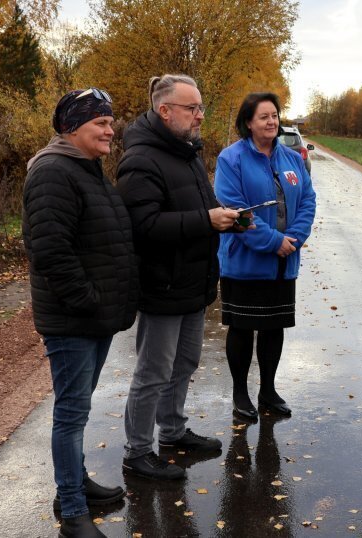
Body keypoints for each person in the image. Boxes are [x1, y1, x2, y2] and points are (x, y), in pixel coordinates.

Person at [23, 88, 138, 538]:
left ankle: (76, 484)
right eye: (101, 122)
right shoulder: (53, 172)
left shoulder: (86, 169)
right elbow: (50, 253)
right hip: (74, 318)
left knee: (79, 409)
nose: (111, 129)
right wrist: (90, 300)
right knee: (70, 414)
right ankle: (71, 509)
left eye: (111, 121)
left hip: (94, 316)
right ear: (72, 127)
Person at [117, 74, 240, 480]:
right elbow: (144, 226)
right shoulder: (141, 159)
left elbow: (197, 206)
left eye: (201, 108)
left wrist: (227, 218)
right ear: (164, 110)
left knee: (185, 362)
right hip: (162, 283)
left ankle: (172, 432)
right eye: (193, 109)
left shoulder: (185, 151)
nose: (200, 116)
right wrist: (207, 219)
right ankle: (137, 452)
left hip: (192, 280)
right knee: (154, 371)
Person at [213, 92, 316, 421]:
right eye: (264, 117)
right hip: (245, 262)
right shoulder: (232, 159)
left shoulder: (292, 159)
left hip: (283, 262)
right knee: (242, 328)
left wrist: (294, 238)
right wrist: (272, 241)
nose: (271, 122)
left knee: (274, 328)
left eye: (274, 116)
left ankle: (268, 390)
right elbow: (234, 210)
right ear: (248, 122)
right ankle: (240, 393)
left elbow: (308, 201)